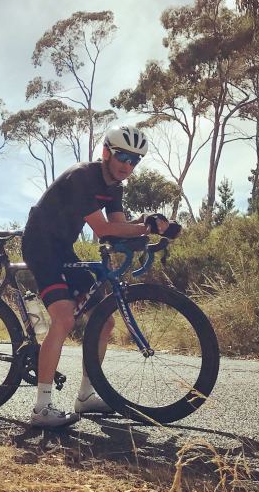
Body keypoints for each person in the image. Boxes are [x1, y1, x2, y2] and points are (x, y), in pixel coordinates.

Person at [21, 124, 170, 428]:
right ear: (106, 153)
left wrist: (148, 222)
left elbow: (119, 226)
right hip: (40, 245)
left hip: (63, 248)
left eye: (134, 160)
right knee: (64, 319)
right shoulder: (82, 176)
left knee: (105, 322)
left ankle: (86, 396)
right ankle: (41, 408)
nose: (127, 165)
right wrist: (146, 227)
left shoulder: (115, 188)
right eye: (123, 156)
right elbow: (102, 230)